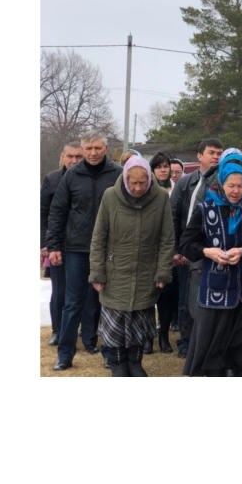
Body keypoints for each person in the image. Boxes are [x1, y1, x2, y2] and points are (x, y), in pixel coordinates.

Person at [179, 152, 242, 376]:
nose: (235, 191)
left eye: (240, 186)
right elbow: (186, 244)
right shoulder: (205, 209)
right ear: (222, 183)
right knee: (213, 347)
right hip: (216, 291)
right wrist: (208, 251)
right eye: (231, 185)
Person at [89, 156, 175, 376]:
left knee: (139, 326)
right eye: (133, 182)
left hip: (146, 274)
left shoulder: (161, 199)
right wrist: (97, 272)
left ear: (149, 179)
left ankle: (136, 362)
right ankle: (117, 365)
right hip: (115, 273)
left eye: (142, 182)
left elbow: (167, 238)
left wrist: (163, 270)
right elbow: (99, 237)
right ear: (125, 179)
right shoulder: (110, 197)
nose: (137, 188)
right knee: (116, 329)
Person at [46, 131, 123, 371]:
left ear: (105, 148)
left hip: (109, 248)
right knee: (72, 303)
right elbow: (57, 212)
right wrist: (54, 245)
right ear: (83, 148)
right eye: (88, 149)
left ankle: (110, 353)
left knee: (109, 303)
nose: (92, 153)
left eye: (97, 148)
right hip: (77, 249)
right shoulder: (71, 176)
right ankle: (65, 354)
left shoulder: (118, 175)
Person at [169, 139, 223, 358]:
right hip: (186, 250)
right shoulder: (185, 183)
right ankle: (186, 341)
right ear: (199, 155)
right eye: (211, 153)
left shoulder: (224, 182)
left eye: (219, 153)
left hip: (211, 251)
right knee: (185, 299)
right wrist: (177, 249)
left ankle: (206, 341)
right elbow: (173, 216)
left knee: (205, 299)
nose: (216, 157)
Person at [41, 141, 83, 346]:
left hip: (82, 245)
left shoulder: (86, 179)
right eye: (71, 156)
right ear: (63, 157)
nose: (74, 161)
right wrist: (45, 244)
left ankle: (84, 330)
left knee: (83, 292)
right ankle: (58, 330)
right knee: (59, 291)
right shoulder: (52, 179)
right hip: (57, 244)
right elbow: (43, 214)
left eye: (78, 157)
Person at [149, 152, 178, 353]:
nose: (162, 169)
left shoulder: (176, 189)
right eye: (158, 166)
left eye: (165, 166)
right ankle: (146, 338)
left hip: (169, 250)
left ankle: (164, 337)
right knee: (148, 299)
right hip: (148, 251)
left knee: (167, 297)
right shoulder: (145, 189)